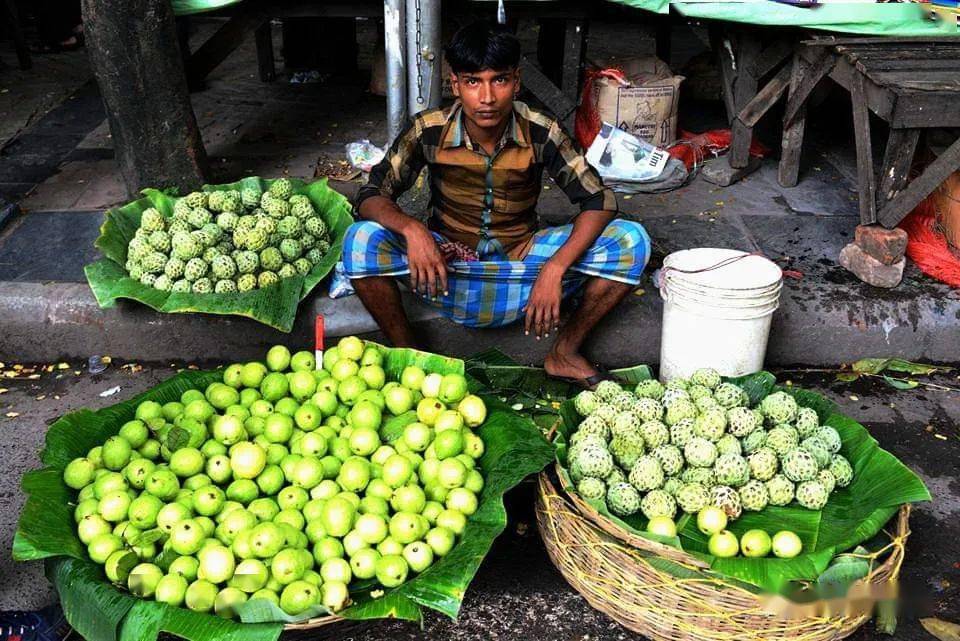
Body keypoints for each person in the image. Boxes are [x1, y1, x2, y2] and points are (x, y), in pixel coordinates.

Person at [342, 21, 650, 388]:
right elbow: (370, 193)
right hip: (447, 268)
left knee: (632, 240)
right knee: (360, 241)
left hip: (522, 265)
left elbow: (599, 201)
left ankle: (564, 352)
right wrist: (413, 230)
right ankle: (413, 358)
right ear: (455, 84)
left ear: (516, 82)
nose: (486, 97)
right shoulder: (429, 129)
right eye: (472, 81)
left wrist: (554, 268)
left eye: (499, 80)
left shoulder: (540, 130)